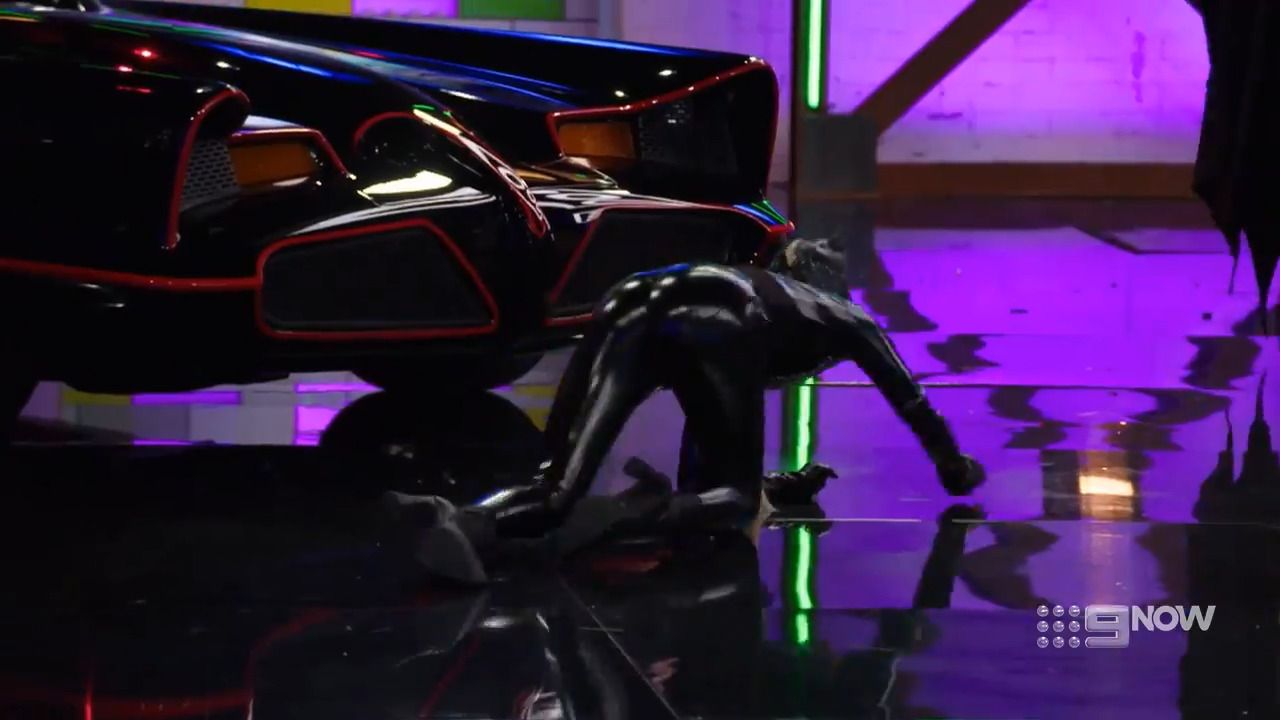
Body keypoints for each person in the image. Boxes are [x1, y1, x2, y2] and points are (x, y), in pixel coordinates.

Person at [394, 240, 985, 583]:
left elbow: (706, 427)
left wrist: (776, 485)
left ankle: (463, 521)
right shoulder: (844, 316)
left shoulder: (761, 286)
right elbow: (911, 401)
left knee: (557, 481)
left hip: (629, 297)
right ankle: (634, 511)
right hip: (715, 318)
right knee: (732, 505)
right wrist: (954, 466)